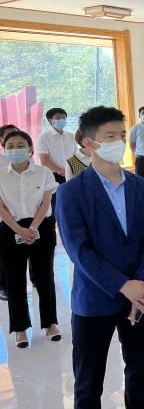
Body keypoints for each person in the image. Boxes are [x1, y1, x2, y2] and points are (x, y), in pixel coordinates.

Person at [56, 106, 144, 409]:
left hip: (140, 297)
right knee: (89, 380)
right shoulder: (71, 193)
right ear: (88, 143)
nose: (118, 142)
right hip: (95, 300)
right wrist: (124, 285)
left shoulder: (140, 187)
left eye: (122, 135)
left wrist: (143, 288)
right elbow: (79, 250)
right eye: (109, 136)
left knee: (138, 367)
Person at [0, 129, 60, 348]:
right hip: (10, 228)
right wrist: (18, 229)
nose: (15, 149)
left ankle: (50, 323)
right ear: (4, 150)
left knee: (44, 278)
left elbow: (46, 203)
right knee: (14, 280)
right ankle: (20, 328)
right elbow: (1, 208)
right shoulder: (1, 175)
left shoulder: (43, 173)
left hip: (40, 227)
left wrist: (33, 228)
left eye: (20, 145)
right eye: (10, 146)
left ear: (30, 149)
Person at [36, 107, 77, 216]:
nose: (62, 120)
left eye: (64, 118)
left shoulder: (71, 136)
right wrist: (60, 170)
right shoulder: (44, 137)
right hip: (53, 176)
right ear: (50, 120)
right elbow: (44, 160)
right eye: (58, 118)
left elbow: (76, 156)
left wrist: (70, 170)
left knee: (71, 204)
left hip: (71, 174)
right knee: (55, 206)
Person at [0, 123, 18, 300]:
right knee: (4, 253)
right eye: (9, 136)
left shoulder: (25, 159)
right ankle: (4, 287)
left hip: (22, 213)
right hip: (4, 214)